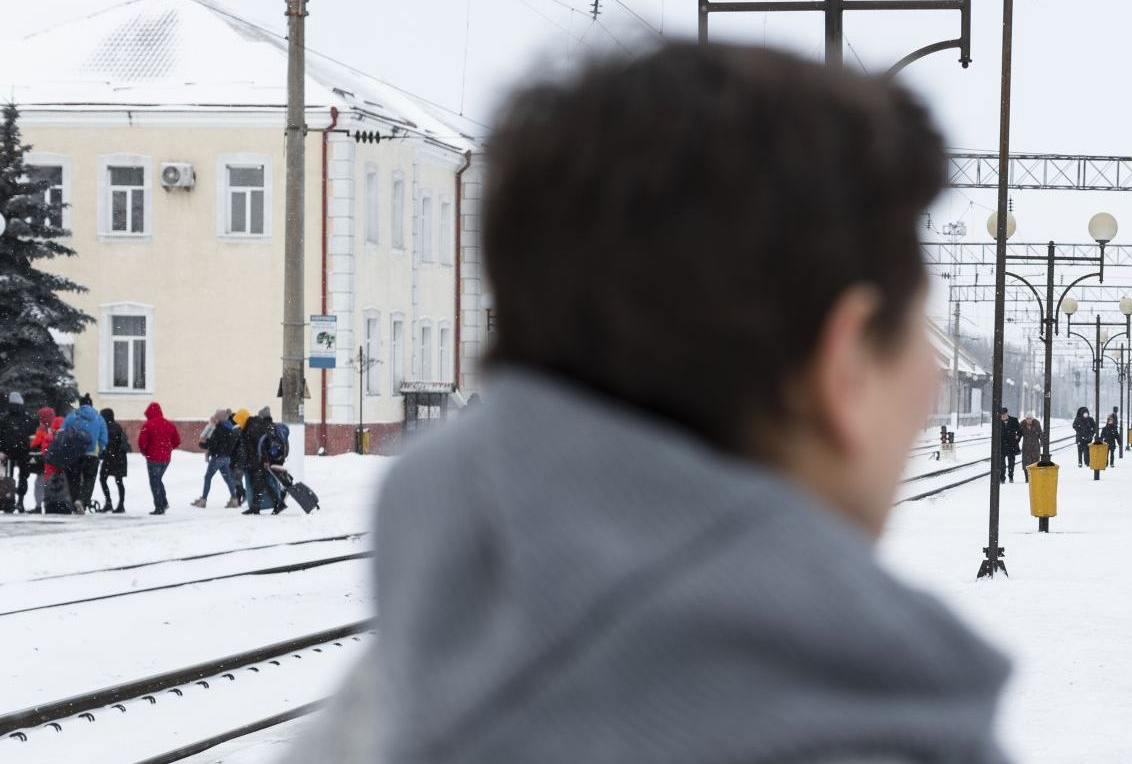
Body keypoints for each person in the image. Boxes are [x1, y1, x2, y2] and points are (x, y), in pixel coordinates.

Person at [279, 43, 1010, 764]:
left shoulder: (383, 714)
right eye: (916, 331)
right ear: (846, 363)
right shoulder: (882, 734)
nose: (931, 383)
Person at [62, 395, 108, 512]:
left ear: (80, 404)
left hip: (74, 453)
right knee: (89, 479)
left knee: (73, 479)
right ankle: (82, 501)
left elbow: (63, 433)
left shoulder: (72, 416)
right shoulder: (99, 418)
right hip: (92, 454)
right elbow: (103, 438)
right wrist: (99, 449)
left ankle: (75, 502)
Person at [137, 402, 180, 515]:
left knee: (154, 482)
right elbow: (177, 441)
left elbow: (142, 442)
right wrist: (169, 448)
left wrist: (145, 452)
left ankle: (159, 506)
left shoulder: (148, 425)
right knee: (158, 480)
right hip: (165, 458)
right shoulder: (169, 425)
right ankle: (164, 502)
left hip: (153, 457)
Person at [194, 409, 239, 509]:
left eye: (216, 417)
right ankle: (235, 499)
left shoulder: (218, 429)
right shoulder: (230, 428)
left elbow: (213, 444)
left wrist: (203, 444)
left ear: (219, 418)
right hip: (226, 458)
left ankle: (203, 500)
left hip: (217, 458)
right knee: (228, 479)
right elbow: (230, 445)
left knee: (207, 477)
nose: (214, 418)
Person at [1, 393, 34, 512]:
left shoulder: (5, 419)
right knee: (23, 476)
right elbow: (32, 436)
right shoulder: (27, 418)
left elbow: (1, 436)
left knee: (8, 477)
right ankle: (20, 501)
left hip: (7, 451)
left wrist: (1, 450)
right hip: (24, 451)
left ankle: (8, 500)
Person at [98, 407, 129, 513]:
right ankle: (121, 504)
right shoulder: (117, 426)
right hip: (120, 458)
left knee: (103, 479)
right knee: (119, 481)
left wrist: (102, 455)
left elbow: (108, 445)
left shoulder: (108, 427)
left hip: (111, 458)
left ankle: (109, 502)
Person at [26, 409, 57, 513]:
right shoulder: (55, 427)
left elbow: (34, 443)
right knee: (50, 483)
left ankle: (39, 506)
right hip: (52, 461)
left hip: (42, 461)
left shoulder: (41, 429)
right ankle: (51, 504)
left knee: (39, 483)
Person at [228, 407, 252, 510]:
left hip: (238, 459)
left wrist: (230, 456)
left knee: (235, 480)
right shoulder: (247, 429)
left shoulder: (237, 431)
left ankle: (243, 495)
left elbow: (232, 446)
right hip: (245, 459)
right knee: (237, 479)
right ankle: (238, 499)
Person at [998, 407, 1023, 483]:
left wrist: (1016, 440)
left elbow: (1020, 431)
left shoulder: (1014, 420)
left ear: (1007, 413)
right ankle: (1002, 478)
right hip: (1001, 446)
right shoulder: (998, 422)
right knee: (1001, 463)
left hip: (1011, 445)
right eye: (1002, 415)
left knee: (1011, 462)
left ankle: (1011, 476)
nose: (1003, 416)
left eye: (1004, 414)